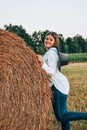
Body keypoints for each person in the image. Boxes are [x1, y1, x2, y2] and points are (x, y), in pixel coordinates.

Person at [37, 31, 87, 130]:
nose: (48, 40)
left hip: (57, 87)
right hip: (61, 84)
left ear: (55, 42)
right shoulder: (51, 52)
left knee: (61, 116)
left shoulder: (51, 53)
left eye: (51, 39)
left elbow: (50, 72)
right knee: (64, 114)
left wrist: (42, 63)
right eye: (47, 38)